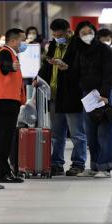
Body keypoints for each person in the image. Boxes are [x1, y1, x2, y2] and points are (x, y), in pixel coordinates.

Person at [35, 18, 87, 177]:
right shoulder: (52, 45)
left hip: (72, 94)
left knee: (77, 133)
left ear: (68, 31)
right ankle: (56, 163)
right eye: (55, 34)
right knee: (57, 134)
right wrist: (38, 77)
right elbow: (47, 65)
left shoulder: (78, 45)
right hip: (54, 94)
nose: (57, 37)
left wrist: (67, 67)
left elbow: (83, 68)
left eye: (60, 34)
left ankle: (78, 163)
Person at [74, 21, 112, 178]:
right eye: (83, 33)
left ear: (94, 32)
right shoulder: (80, 51)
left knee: (105, 131)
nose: (86, 35)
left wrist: (104, 94)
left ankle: (105, 167)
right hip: (87, 94)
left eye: (89, 31)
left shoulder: (104, 49)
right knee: (90, 132)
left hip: (102, 93)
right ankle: (94, 166)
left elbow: (109, 72)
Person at [0, 28, 28, 183]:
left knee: (4, 138)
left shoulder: (9, 53)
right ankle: (0, 173)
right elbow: (5, 67)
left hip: (7, 101)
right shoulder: (5, 53)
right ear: (13, 40)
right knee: (4, 138)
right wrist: (11, 67)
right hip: (5, 101)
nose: (24, 43)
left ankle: (2, 170)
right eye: (22, 40)